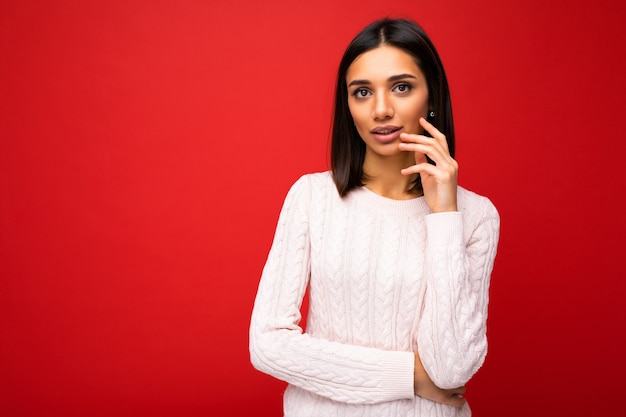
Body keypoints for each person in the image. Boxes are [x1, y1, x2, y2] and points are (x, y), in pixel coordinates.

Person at [249, 17, 500, 417]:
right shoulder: (313, 198)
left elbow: (451, 368)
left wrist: (444, 217)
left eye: (401, 87)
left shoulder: (474, 216)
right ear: (348, 106)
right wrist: (409, 377)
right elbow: (268, 344)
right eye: (362, 92)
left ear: (432, 95)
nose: (381, 109)